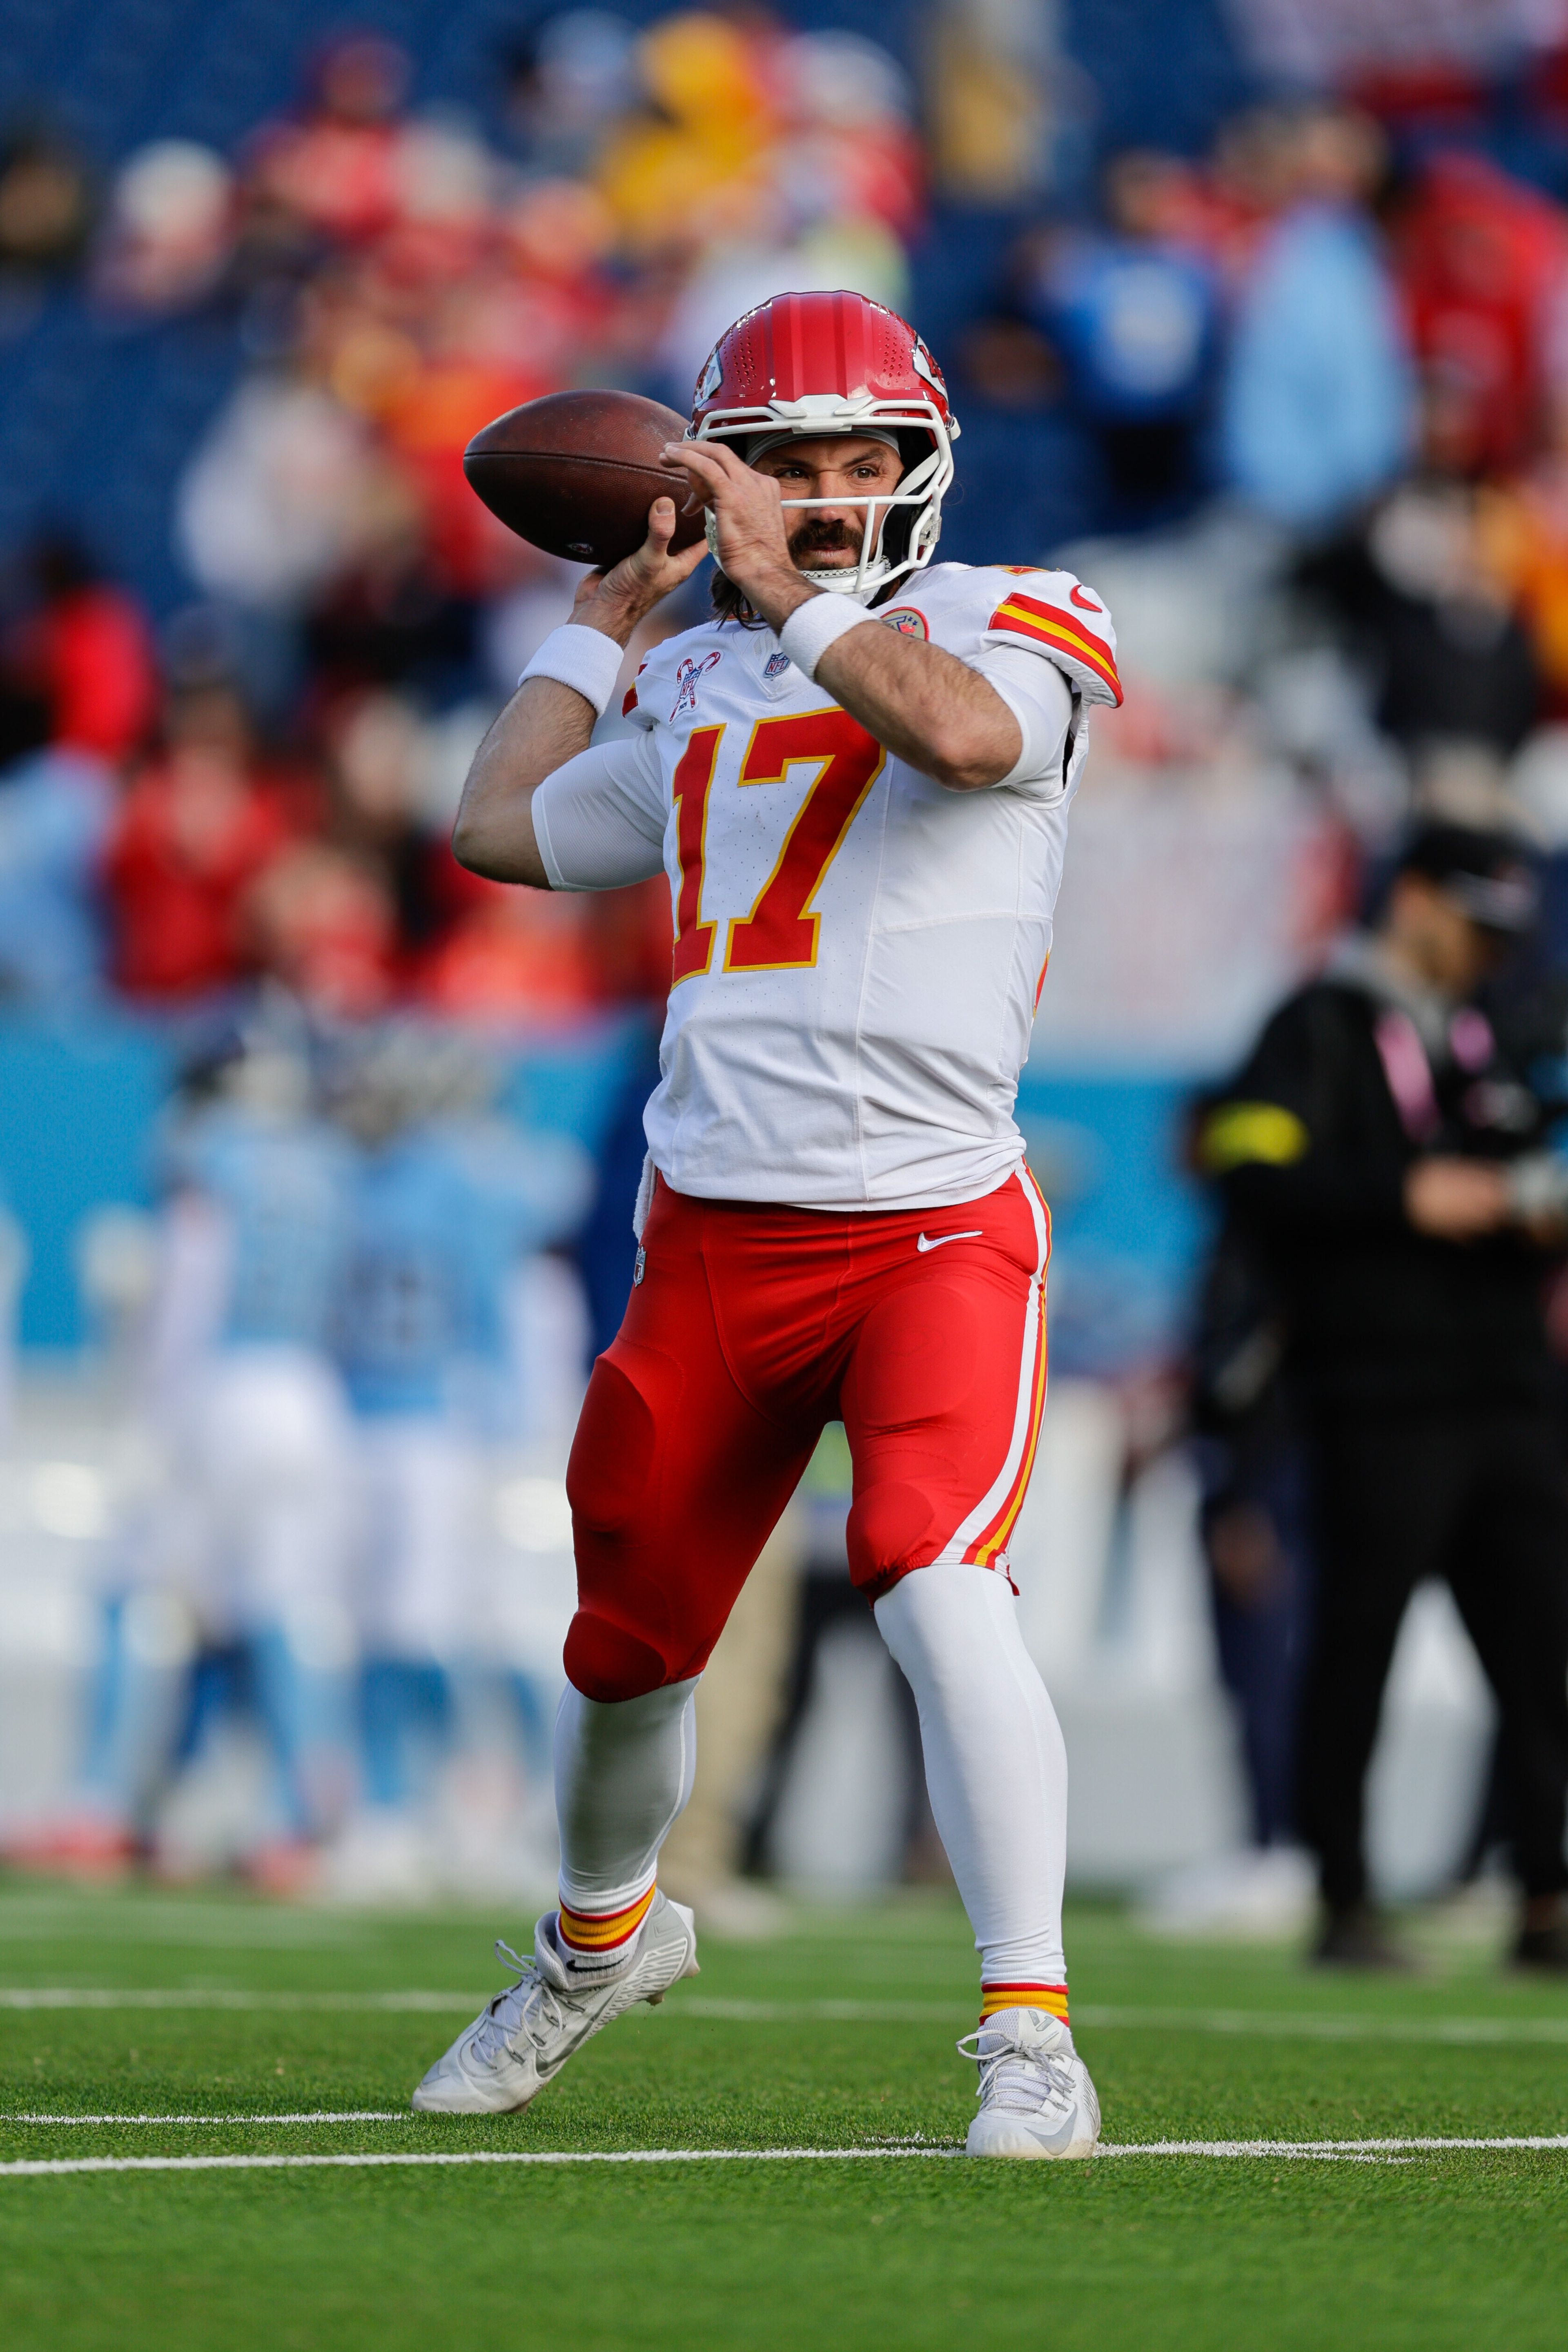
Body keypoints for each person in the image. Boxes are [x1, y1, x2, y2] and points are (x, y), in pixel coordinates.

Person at [411, 287, 1121, 2159]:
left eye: (861, 459)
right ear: (720, 471)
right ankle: (598, 1943)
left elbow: (963, 741)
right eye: (787, 461)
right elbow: (499, 829)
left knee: (932, 1574)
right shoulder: (697, 679)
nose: (825, 491)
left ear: (921, 469)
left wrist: (793, 598)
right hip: (714, 1236)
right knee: (624, 1654)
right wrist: (600, 622)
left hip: (928, 1229)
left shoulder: (1015, 618)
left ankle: (1032, 2030)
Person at [1202, 822, 1568, 1971]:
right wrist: (1408, 1194)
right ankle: (1346, 1897)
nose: (1486, 949)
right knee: (1356, 1645)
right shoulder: (1315, 1023)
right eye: (1472, 922)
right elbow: (1248, 1168)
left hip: (1510, 1385)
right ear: (1412, 898)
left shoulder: (1505, 1029)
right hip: (1377, 1390)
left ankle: (1547, 1897)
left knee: (1541, 1650)